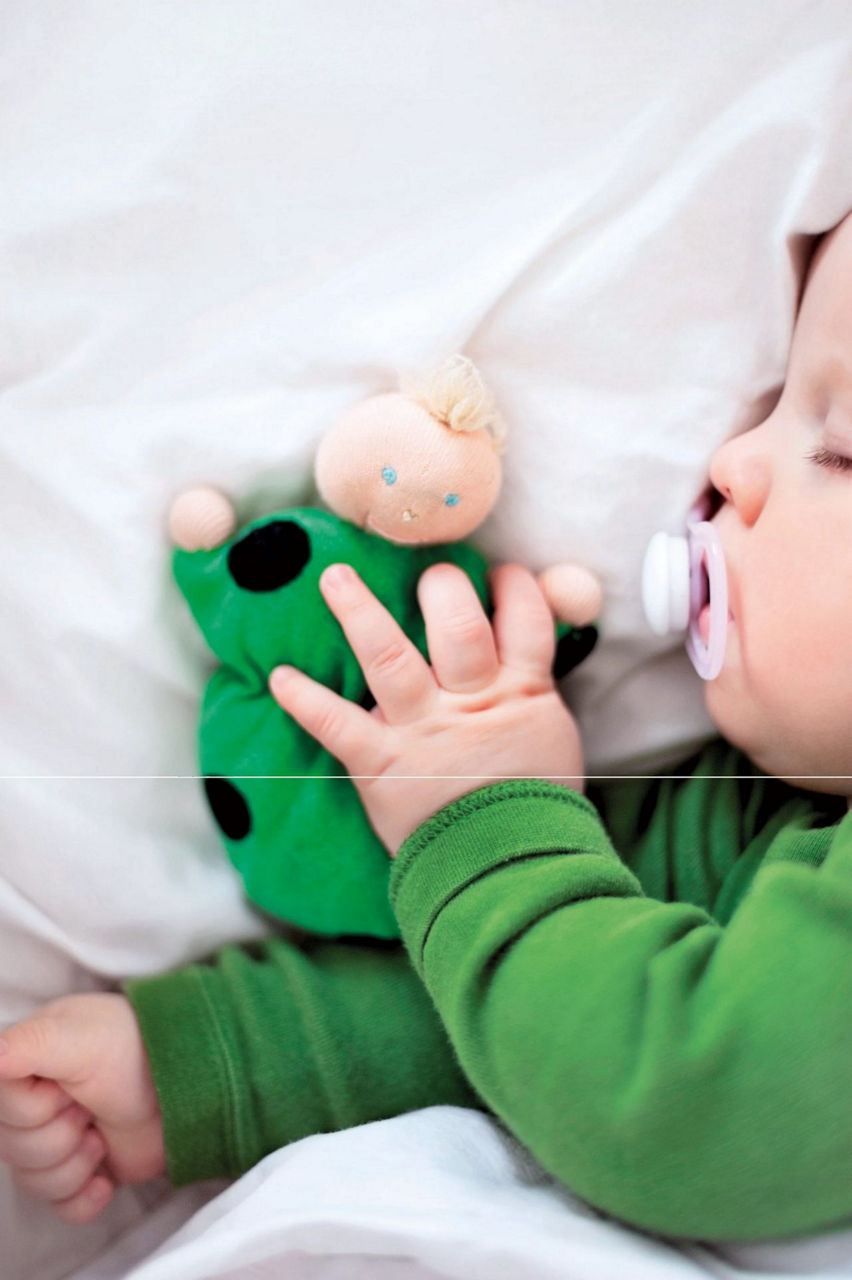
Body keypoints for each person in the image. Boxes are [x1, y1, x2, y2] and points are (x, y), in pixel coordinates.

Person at [2, 212, 852, 1241]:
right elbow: (548, 1001)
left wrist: (490, 813)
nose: (732, 459)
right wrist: (217, 1060)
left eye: (839, 444)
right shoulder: (763, 821)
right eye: (771, 409)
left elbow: (689, 1108)